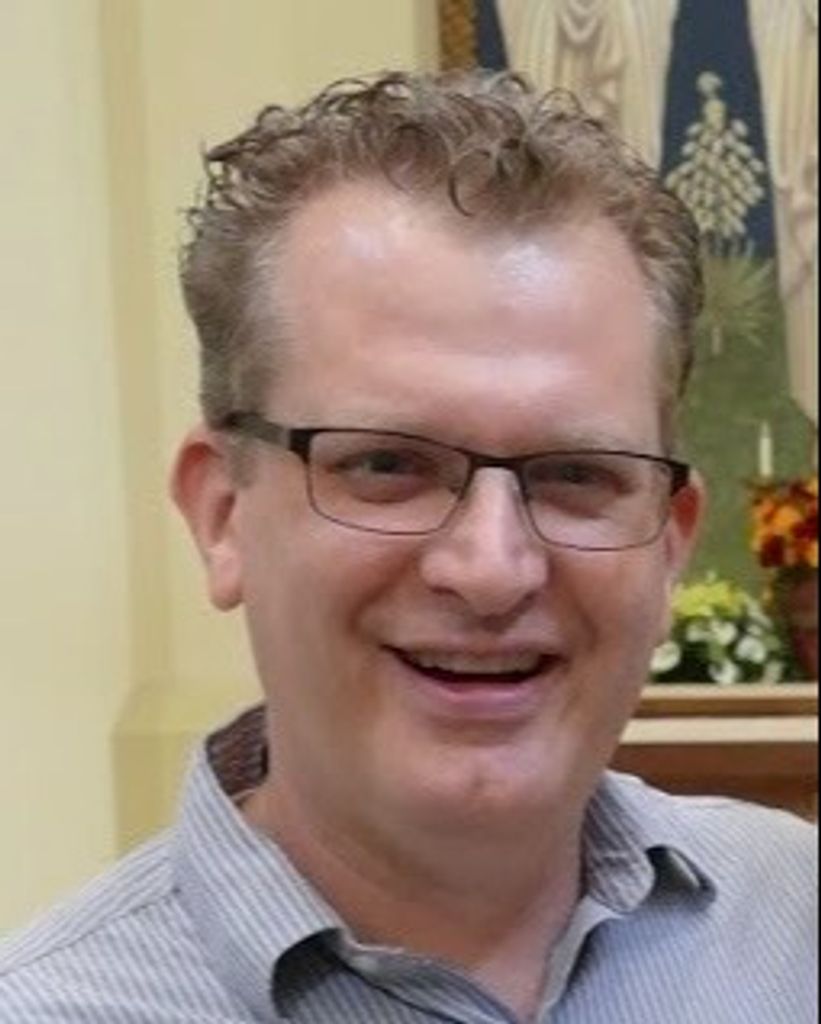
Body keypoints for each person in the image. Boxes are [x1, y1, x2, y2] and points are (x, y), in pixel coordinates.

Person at [0, 70, 816, 1024]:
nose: (491, 569)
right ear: (222, 516)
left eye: (575, 474)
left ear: (669, 543)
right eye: (387, 464)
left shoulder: (795, 930)